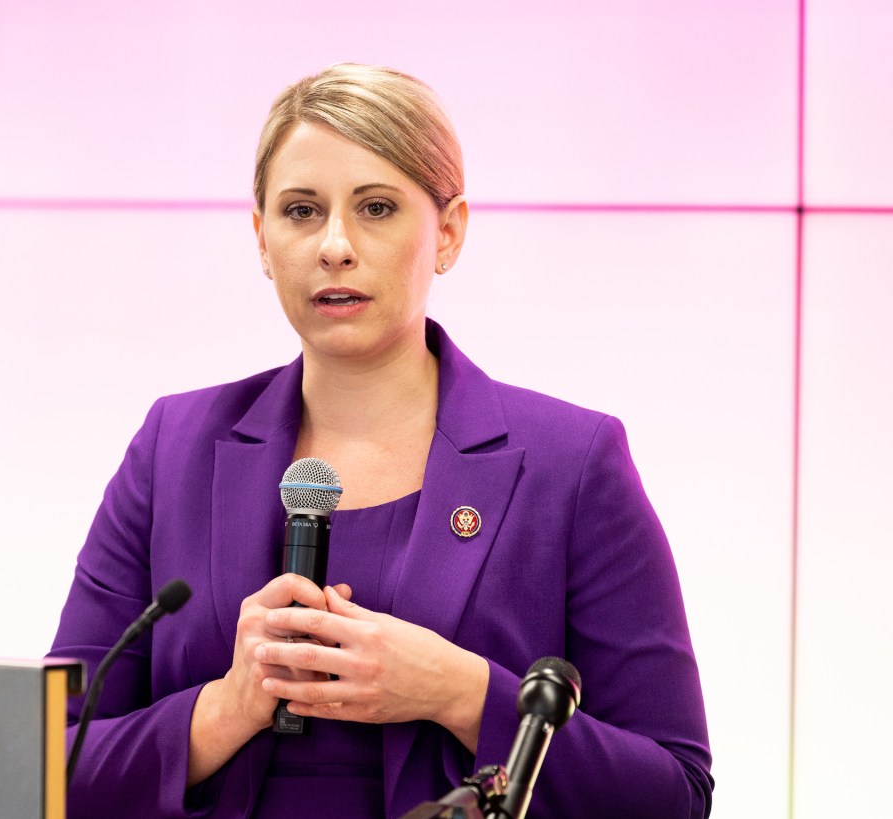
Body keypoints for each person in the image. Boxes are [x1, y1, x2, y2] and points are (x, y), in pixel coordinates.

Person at [48, 63, 713, 818]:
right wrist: (229, 706)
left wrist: (459, 691)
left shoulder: (573, 462)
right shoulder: (173, 449)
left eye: (376, 207)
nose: (335, 245)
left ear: (449, 232)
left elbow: (675, 794)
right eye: (301, 210)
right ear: (262, 238)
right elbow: (48, 762)